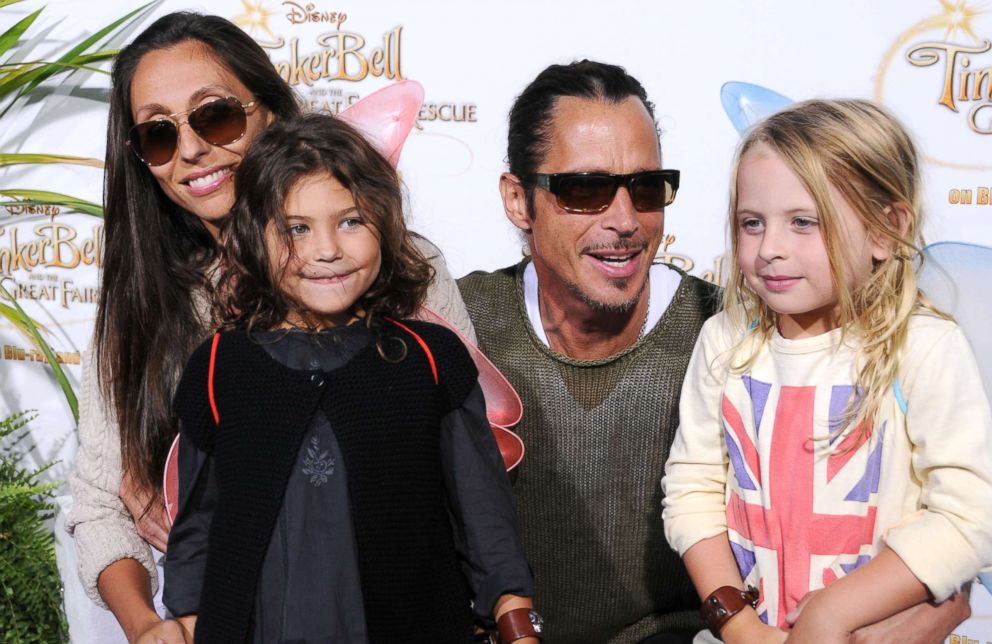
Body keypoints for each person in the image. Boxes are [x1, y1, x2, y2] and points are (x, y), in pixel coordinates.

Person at [67, 12, 473, 644]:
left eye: (215, 116)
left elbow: (470, 459)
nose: (193, 149)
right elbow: (99, 506)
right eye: (158, 135)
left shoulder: (398, 264)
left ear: (274, 113)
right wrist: (148, 626)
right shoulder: (138, 307)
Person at [164, 113, 538, 644]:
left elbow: (485, 520)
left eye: (350, 221)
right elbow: (197, 525)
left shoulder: (431, 359)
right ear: (254, 236)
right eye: (296, 228)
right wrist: (186, 618)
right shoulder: (219, 367)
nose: (326, 250)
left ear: (384, 224)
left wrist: (516, 622)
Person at [662, 99, 992, 643]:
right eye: (752, 223)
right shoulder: (723, 342)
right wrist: (739, 625)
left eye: (803, 223)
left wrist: (831, 615)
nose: (770, 248)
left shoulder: (923, 348)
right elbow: (692, 488)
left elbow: (968, 517)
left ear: (886, 231)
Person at [458, 60, 721, 643]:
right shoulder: (458, 323)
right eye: (585, 190)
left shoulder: (725, 330)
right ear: (518, 201)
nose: (625, 220)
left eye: (646, 187)